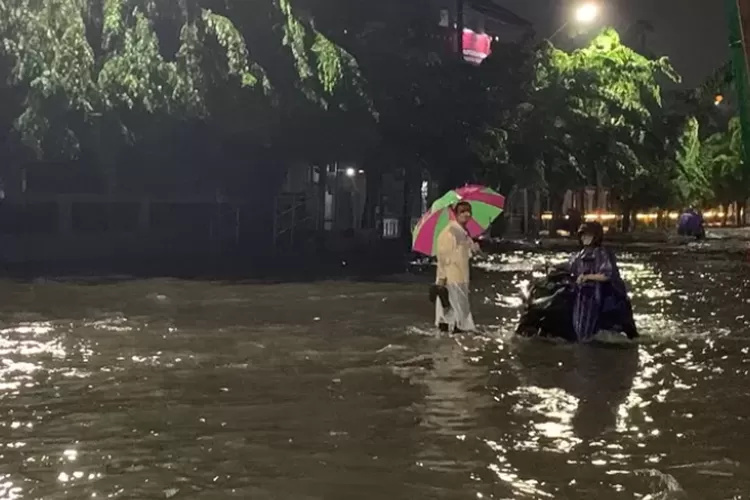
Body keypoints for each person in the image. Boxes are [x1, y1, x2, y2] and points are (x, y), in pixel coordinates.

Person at [569, 222, 638, 342]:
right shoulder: (580, 255)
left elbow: (606, 275)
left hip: (596, 297)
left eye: (588, 235)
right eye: (583, 235)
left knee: (587, 329)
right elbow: (571, 268)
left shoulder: (600, 253)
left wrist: (587, 277)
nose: (585, 238)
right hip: (581, 297)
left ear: (596, 237)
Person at [435, 201, 478, 333]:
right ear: (456, 214)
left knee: (457, 313)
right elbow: (443, 257)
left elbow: (465, 254)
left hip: (461, 277)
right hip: (451, 279)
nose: (466, 214)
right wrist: (442, 279)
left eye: (468, 211)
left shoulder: (463, 233)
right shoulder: (449, 233)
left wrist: (474, 248)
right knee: (456, 314)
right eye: (462, 211)